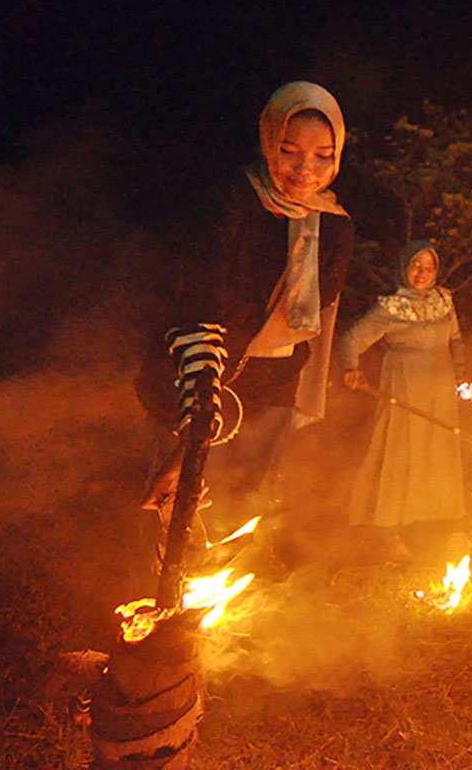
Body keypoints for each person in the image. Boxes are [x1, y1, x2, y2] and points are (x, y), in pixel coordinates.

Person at [137, 81, 357, 534]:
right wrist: (199, 417)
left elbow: (304, 326)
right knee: (174, 498)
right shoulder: (232, 203)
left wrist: (246, 397)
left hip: (272, 382)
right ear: (268, 141)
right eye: (290, 150)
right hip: (197, 369)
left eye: (322, 156)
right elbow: (201, 300)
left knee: (243, 501)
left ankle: (225, 598)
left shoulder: (334, 228)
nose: (304, 169)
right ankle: (152, 597)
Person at [338, 241, 468, 558]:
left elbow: (455, 339)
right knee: (401, 447)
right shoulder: (390, 307)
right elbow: (352, 339)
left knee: (437, 447)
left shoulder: (444, 300)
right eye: (415, 266)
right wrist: (350, 368)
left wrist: (462, 374)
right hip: (404, 384)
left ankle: (433, 518)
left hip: (440, 384)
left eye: (428, 267)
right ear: (404, 267)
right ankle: (389, 527)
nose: (422, 273)